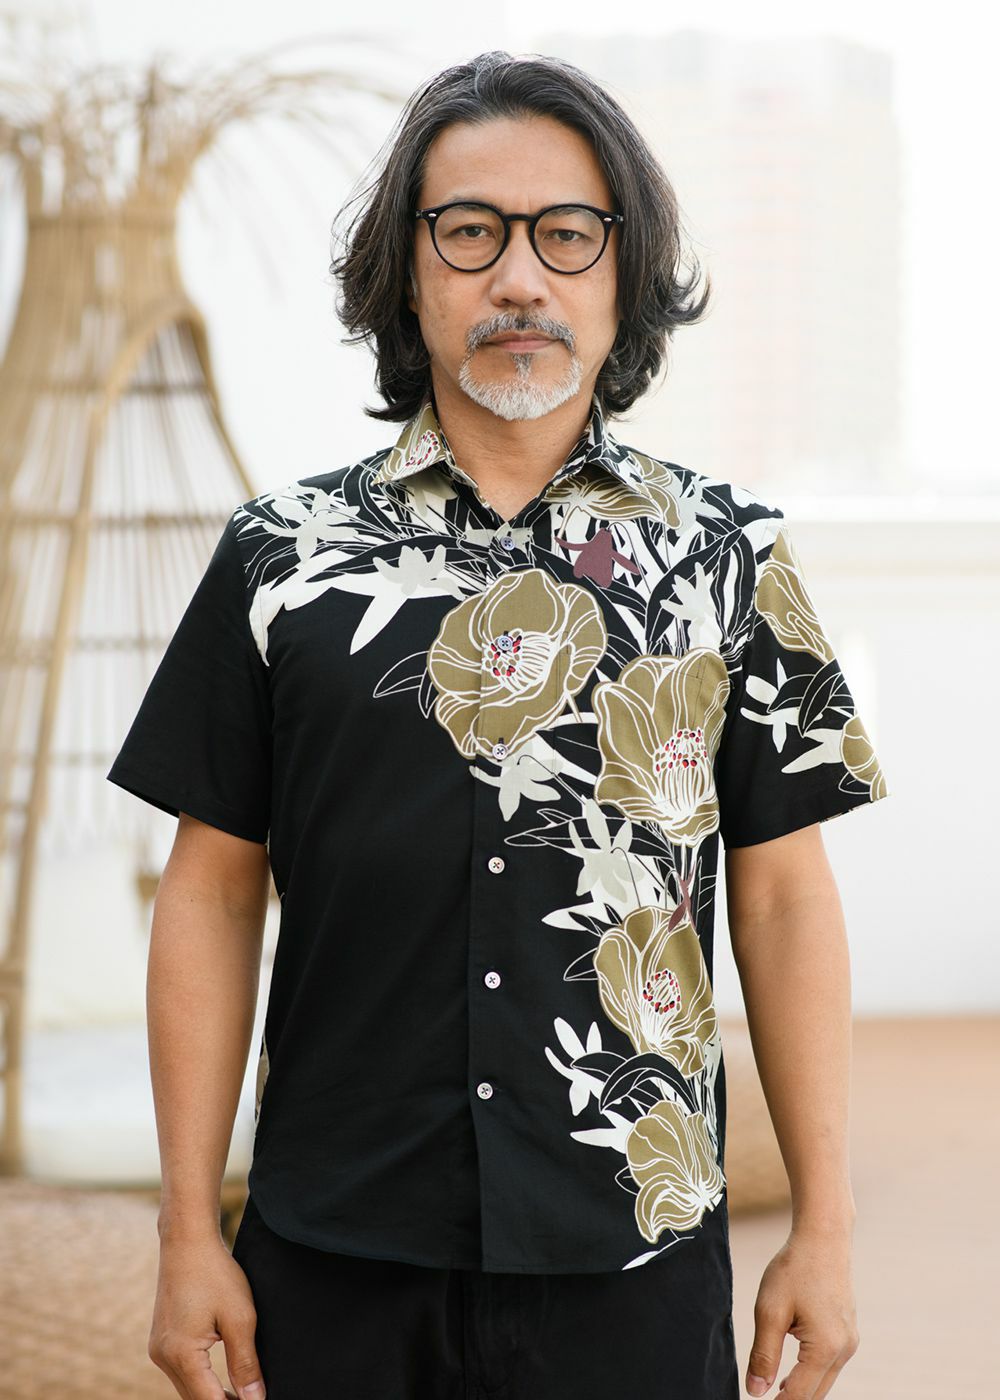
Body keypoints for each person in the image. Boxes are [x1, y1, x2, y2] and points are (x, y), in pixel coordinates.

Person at [107, 48, 890, 1400]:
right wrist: (187, 1233)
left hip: (635, 1254)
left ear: (623, 272)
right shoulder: (280, 558)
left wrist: (825, 1223)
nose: (519, 277)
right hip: (334, 1245)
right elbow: (213, 894)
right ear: (406, 274)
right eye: (469, 232)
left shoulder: (732, 555)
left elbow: (782, 900)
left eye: (567, 234)